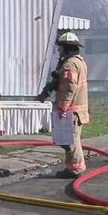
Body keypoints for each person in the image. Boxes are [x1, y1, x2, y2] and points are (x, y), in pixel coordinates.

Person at [36, 32, 89, 177]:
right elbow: (58, 82)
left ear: (66, 48)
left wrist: (63, 106)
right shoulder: (79, 61)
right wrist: (44, 95)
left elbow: (69, 87)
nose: (58, 50)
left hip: (71, 109)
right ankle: (72, 167)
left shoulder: (69, 64)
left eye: (60, 48)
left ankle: (76, 169)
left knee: (70, 141)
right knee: (68, 139)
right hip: (77, 108)